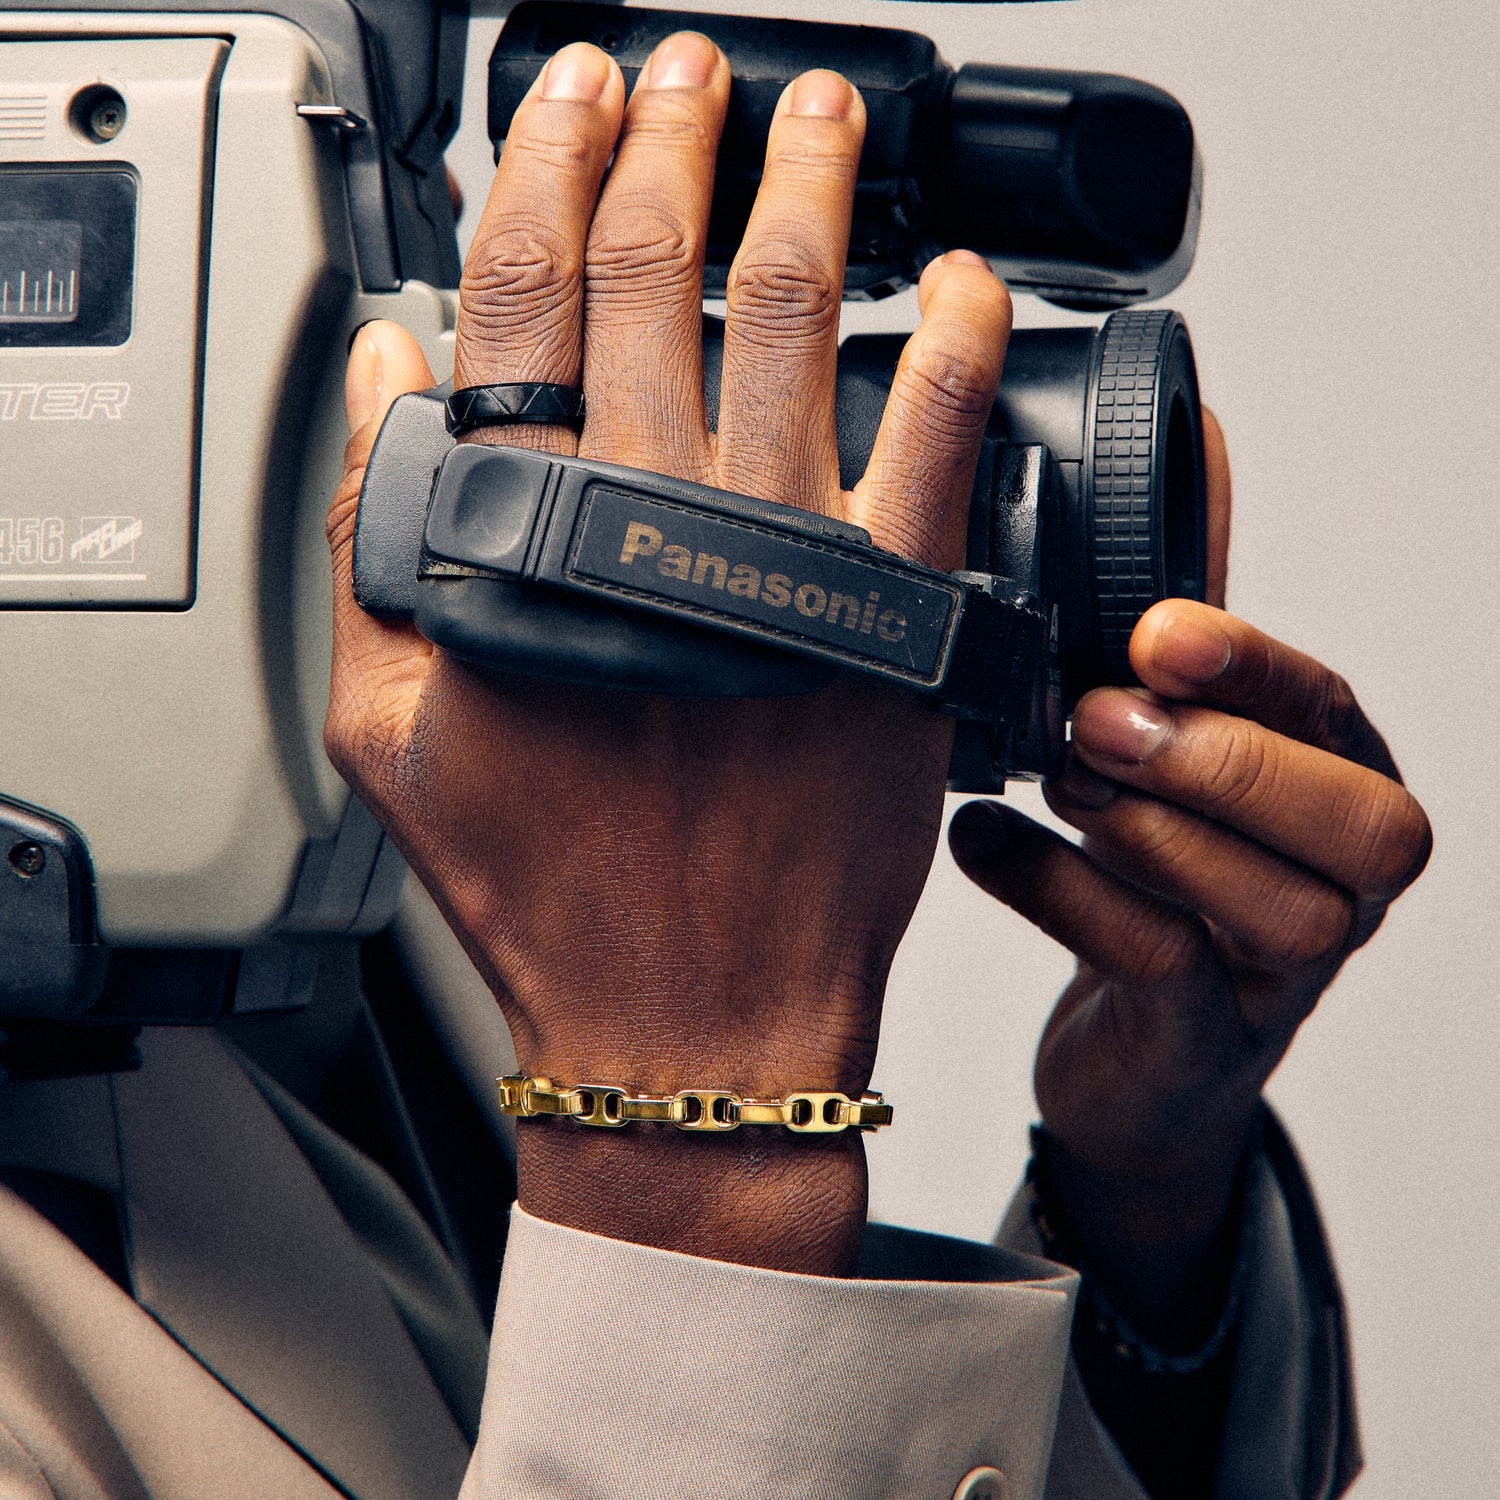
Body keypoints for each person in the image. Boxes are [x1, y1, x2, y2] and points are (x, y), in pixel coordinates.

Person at [0, 33, 1430, 1500]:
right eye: (328, 177)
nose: (439, 257)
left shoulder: (463, 827)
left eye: (397, 176)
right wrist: (691, 1155)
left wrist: (1139, 1194)